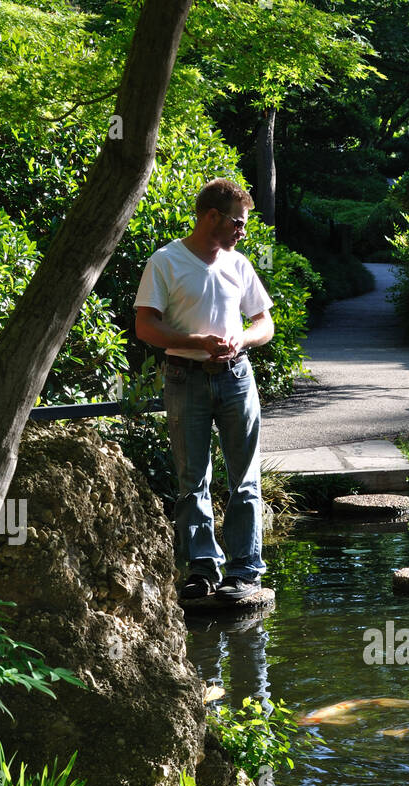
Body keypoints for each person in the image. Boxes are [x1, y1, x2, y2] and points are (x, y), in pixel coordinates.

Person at [135, 178, 274, 602]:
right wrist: (199, 343)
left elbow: (264, 324)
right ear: (211, 216)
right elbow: (145, 326)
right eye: (237, 222)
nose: (242, 231)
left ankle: (245, 570)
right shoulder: (166, 261)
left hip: (236, 376)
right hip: (184, 378)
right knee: (192, 480)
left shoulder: (239, 264)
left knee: (244, 479)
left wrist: (241, 340)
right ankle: (201, 568)